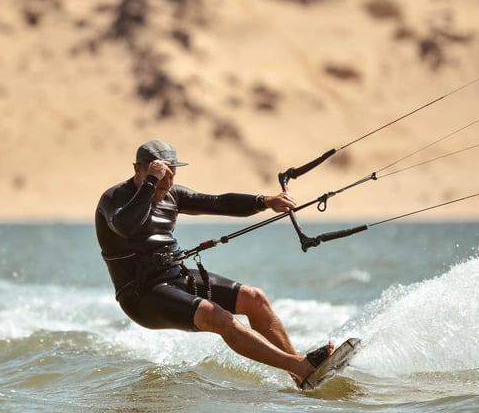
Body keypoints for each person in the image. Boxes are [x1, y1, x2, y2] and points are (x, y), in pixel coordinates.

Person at [95, 139, 334, 388]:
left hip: (175, 278)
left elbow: (219, 202)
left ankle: (300, 376)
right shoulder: (114, 199)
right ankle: (299, 366)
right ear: (138, 169)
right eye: (160, 175)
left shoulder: (172, 194)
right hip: (142, 295)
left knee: (255, 298)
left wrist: (265, 201)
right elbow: (126, 225)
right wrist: (150, 182)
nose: (166, 182)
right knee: (216, 316)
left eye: (171, 175)